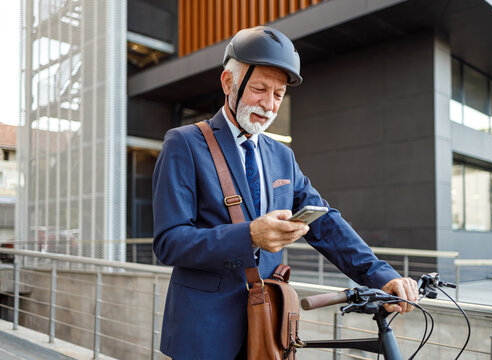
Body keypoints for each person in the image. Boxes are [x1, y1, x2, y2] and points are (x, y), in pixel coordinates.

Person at [152, 26, 418, 360]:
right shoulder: (184, 143)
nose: (269, 104)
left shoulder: (282, 156)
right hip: (204, 333)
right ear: (228, 83)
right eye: (260, 89)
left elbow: (326, 222)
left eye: (278, 94)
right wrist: (249, 235)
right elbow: (169, 242)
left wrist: (381, 275)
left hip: (267, 325)